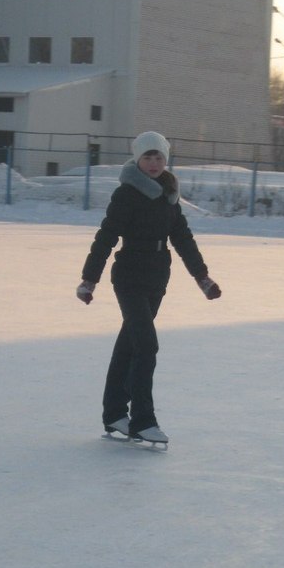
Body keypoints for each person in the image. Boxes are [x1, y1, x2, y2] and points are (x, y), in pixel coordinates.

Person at [76, 131, 221, 444]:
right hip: (129, 277)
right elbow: (106, 236)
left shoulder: (168, 194)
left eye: (159, 157)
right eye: (147, 157)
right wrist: (89, 279)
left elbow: (182, 237)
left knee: (129, 345)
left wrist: (202, 278)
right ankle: (143, 420)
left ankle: (115, 414)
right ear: (137, 160)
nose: (153, 163)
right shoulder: (127, 194)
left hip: (157, 277)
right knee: (146, 345)